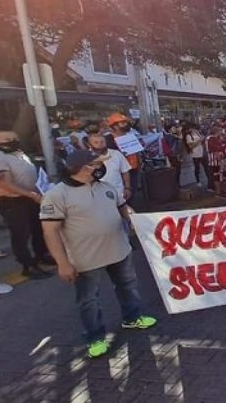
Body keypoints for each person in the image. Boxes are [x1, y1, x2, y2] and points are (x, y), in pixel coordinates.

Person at [40, 150, 157, 359]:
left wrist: (132, 217)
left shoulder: (106, 187)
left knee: (127, 285)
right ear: (81, 168)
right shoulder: (57, 195)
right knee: (89, 300)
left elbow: (122, 207)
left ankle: (132, 318)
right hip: (85, 259)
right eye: (96, 164)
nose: (101, 167)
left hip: (119, 250)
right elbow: (50, 231)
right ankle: (95, 337)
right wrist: (63, 263)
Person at [0, 128, 53, 279]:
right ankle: (28, 266)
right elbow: (3, 183)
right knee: (21, 235)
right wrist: (30, 194)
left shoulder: (18, 153)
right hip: (13, 201)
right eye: (7, 139)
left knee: (38, 229)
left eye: (14, 138)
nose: (12, 141)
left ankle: (41, 255)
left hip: (30, 198)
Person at [105, 114, 143, 196]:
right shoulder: (108, 139)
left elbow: (136, 153)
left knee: (132, 194)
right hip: (119, 173)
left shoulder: (131, 136)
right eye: (122, 123)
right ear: (115, 126)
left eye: (126, 122)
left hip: (133, 170)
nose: (126, 124)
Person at [86, 133, 132, 201]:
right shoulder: (85, 158)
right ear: (89, 144)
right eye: (96, 142)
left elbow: (125, 171)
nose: (100, 144)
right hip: (97, 197)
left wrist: (127, 188)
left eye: (102, 142)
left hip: (118, 194)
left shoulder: (116, 154)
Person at [204, 126, 226, 197]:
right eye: (220, 131)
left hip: (219, 159)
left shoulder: (217, 138)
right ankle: (218, 192)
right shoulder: (210, 139)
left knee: (221, 175)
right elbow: (215, 150)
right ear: (216, 131)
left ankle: (221, 190)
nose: (221, 132)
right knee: (216, 176)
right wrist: (220, 161)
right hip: (214, 160)